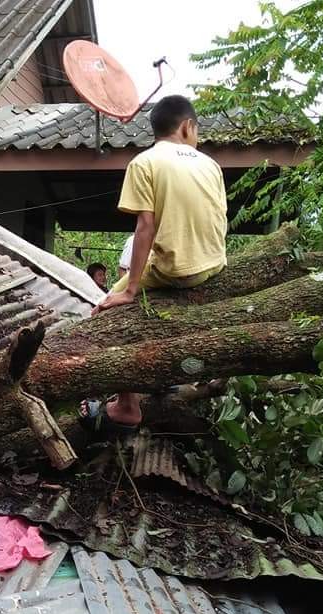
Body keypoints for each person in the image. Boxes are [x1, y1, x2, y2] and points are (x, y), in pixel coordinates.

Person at [80, 94, 228, 434]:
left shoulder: (144, 163)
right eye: (197, 130)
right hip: (214, 265)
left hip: (176, 271)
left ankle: (128, 406)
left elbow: (145, 227)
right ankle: (163, 380)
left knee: (106, 310)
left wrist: (130, 289)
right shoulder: (211, 165)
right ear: (188, 127)